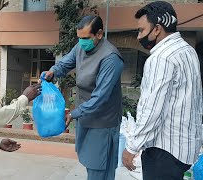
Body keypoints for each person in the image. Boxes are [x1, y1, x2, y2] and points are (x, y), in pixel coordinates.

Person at [122, 1, 203, 180]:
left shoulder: (161, 58)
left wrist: (132, 148)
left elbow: (152, 110)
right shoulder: (188, 51)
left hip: (164, 150)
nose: (138, 37)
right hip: (185, 149)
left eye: (142, 30)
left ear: (157, 29)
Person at [42, 15, 124, 180]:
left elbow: (100, 98)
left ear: (99, 34)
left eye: (85, 38)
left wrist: (73, 114)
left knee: (99, 170)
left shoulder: (110, 59)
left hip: (103, 123)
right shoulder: (81, 48)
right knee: (89, 164)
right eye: (79, 38)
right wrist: (53, 72)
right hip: (86, 117)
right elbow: (65, 63)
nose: (81, 42)